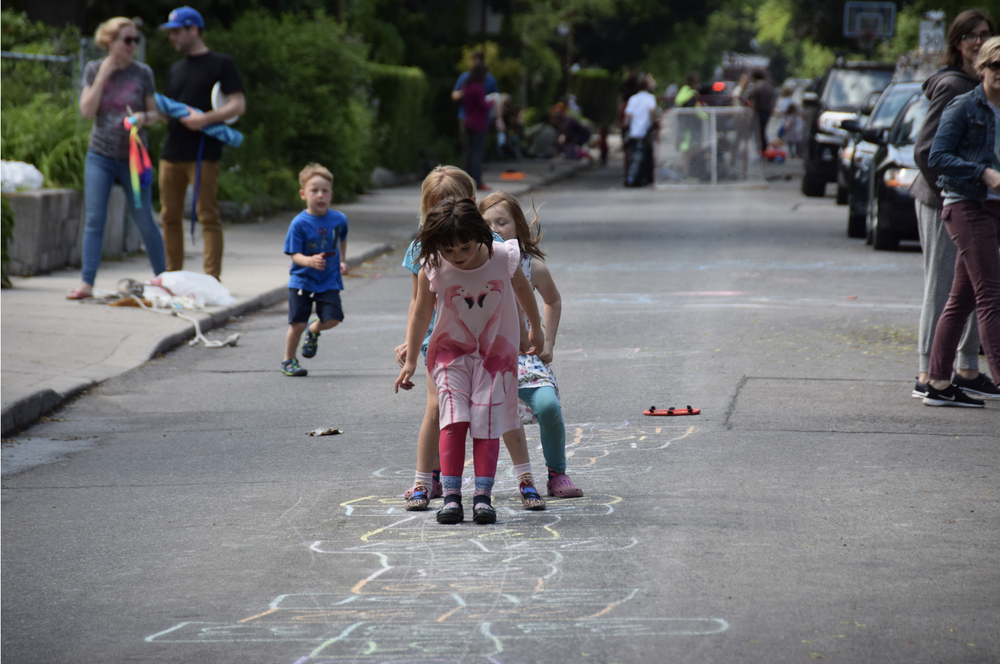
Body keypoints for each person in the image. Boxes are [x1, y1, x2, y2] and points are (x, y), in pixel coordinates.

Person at [396, 167, 547, 513]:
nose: (457, 252)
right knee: (442, 413)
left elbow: (517, 290)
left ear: (471, 204)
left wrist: (528, 331)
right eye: (437, 205)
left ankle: (522, 478)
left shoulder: (495, 249)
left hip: (493, 344)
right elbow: (420, 307)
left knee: (497, 414)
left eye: (453, 203)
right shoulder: (430, 252)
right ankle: (428, 480)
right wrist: (411, 349)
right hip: (446, 342)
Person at [909, 9, 998, 401]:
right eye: (970, 35)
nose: (977, 40)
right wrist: (955, 193)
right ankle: (927, 372)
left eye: (984, 33)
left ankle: (955, 372)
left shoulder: (990, 95)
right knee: (945, 287)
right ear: (958, 42)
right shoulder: (954, 90)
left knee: (964, 293)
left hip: (980, 202)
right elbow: (928, 152)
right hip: (945, 199)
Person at [480, 192, 583, 498]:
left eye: (502, 222)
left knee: (549, 406)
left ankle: (556, 473)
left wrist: (547, 340)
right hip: (484, 359)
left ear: (518, 227)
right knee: (467, 416)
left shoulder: (530, 266)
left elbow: (552, 299)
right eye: (487, 223)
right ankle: (440, 476)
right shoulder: (469, 264)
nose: (495, 228)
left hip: (525, 357)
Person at [68, 17, 167, 300]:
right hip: (100, 154)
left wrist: (141, 118)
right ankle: (87, 283)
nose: (132, 45)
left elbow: (156, 114)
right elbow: (86, 111)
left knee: (144, 218)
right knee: (95, 218)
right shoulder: (93, 69)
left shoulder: (142, 72)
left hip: (133, 157)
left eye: (135, 40)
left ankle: (162, 279)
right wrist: (102, 78)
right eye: (127, 40)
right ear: (110, 42)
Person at [158, 6, 245, 281]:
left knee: (207, 215)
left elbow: (238, 104)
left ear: (193, 30)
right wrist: (143, 117)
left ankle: (211, 280)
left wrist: (205, 119)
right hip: (171, 153)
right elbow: (165, 113)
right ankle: (173, 278)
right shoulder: (175, 70)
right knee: (169, 216)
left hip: (204, 154)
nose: (172, 38)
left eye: (176, 32)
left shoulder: (221, 64)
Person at [280, 164, 348, 377]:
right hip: (302, 281)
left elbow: (341, 239)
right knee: (297, 323)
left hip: (328, 280)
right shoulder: (299, 223)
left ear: (331, 194)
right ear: (303, 194)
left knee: (333, 318)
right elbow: (294, 254)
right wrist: (309, 262)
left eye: (325, 191)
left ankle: (314, 329)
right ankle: (289, 361)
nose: (320, 195)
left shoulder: (339, 219)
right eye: (314, 191)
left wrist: (342, 260)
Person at [461, 63, 493, 191]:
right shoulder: (479, 87)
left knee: (469, 152)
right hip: (478, 123)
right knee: (477, 153)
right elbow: (482, 106)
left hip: (468, 121)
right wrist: (491, 101)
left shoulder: (467, 86)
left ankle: (466, 180)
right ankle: (477, 181)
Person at [623, 78, 658, 186]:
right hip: (644, 131)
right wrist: (654, 122)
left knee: (633, 156)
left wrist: (625, 127)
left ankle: (631, 176)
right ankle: (638, 177)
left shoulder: (633, 99)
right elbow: (652, 111)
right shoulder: (650, 98)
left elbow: (628, 115)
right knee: (643, 156)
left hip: (634, 131)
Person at [748, 69, 775, 152]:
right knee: (763, 131)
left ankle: (762, 149)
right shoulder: (769, 86)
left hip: (759, 111)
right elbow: (772, 100)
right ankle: (764, 148)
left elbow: (753, 101)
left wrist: (751, 111)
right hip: (767, 111)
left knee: (758, 132)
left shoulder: (756, 87)